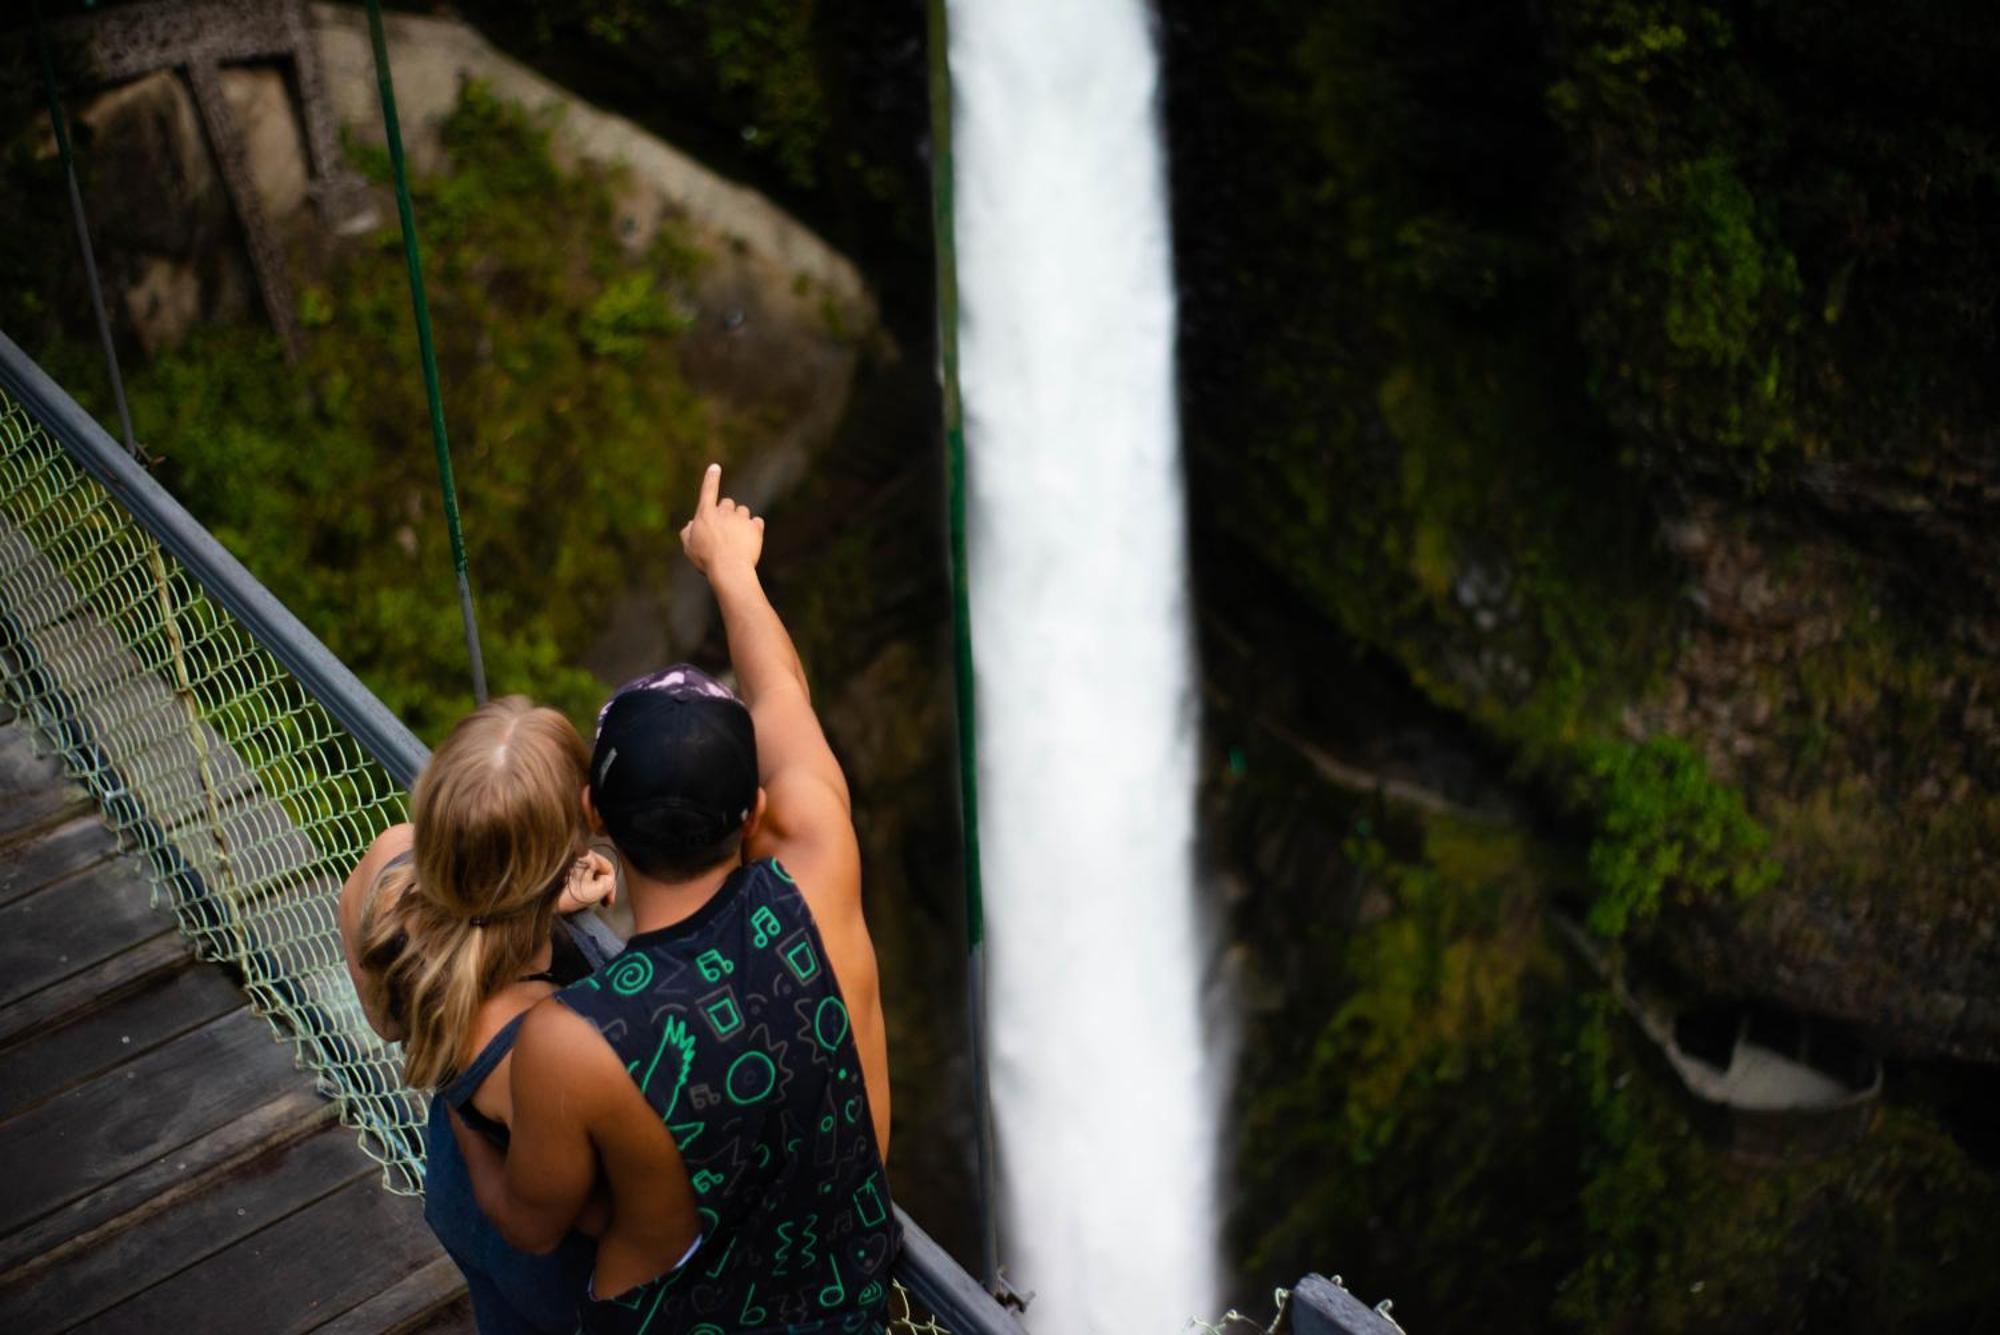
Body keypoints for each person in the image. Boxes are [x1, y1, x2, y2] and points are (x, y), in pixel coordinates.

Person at [456, 463, 899, 1333]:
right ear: (757, 810)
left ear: (595, 817)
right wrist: (732, 567)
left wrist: (455, 1095)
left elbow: (529, 1220)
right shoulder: (820, 856)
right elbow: (780, 694)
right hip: (850, 1311)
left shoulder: (575, 1038)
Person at [338, 697, 620, 1334]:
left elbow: (389, 1020)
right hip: (555, 1278)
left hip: (457, 1197)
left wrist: (540, 902)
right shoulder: (549, 1042)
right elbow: (601, 1217)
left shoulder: (388, 870)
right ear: (572, 841)